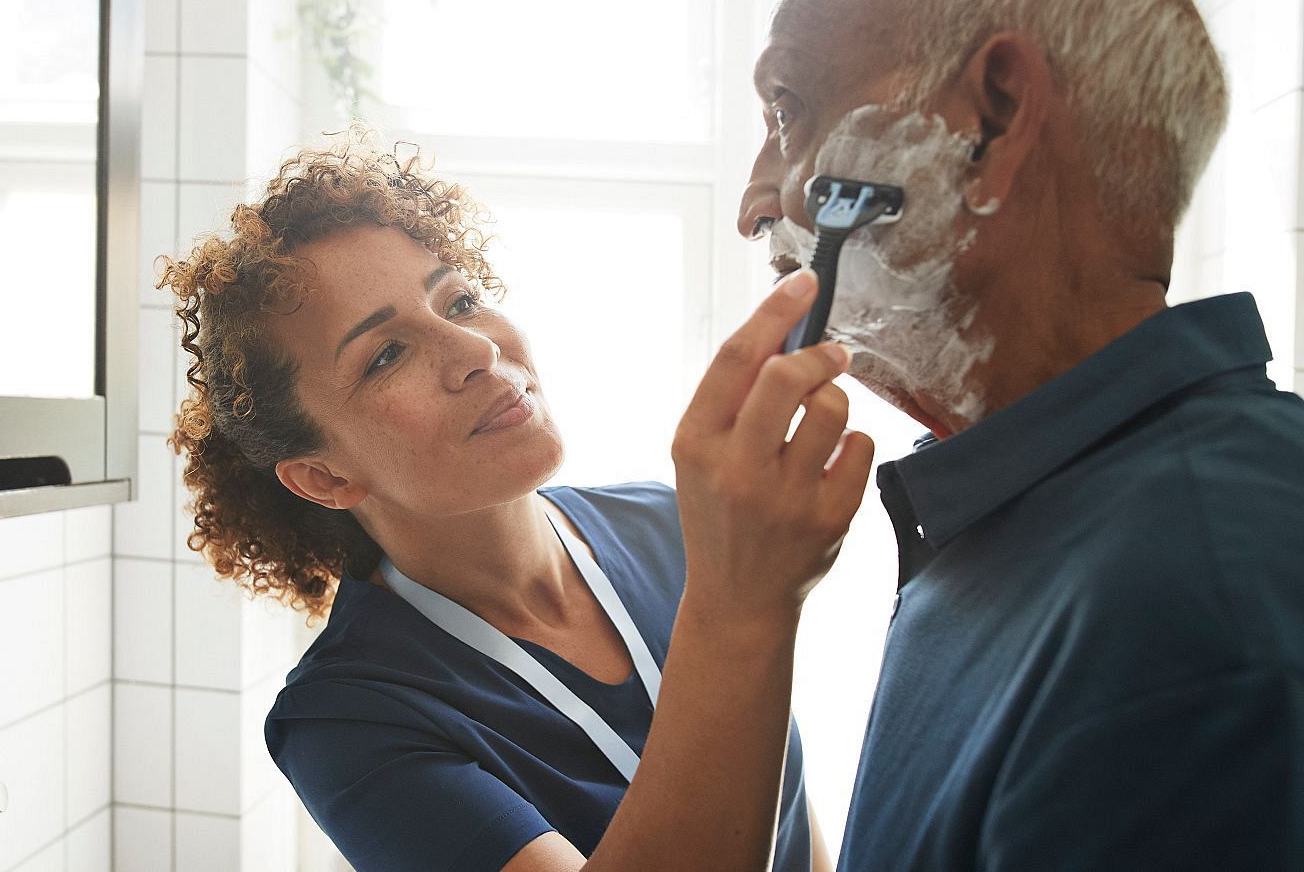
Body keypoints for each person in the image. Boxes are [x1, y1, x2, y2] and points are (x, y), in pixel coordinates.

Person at [159, 131, 874, 871]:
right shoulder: (344, 719)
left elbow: (786, 816)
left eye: (460, 300)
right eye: (386, 355)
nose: (476, 352)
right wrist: (745, 604)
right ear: (326, 478)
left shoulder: (674, 525)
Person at [739, 0, 1304, 867]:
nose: (755, 204)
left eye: (787, 111)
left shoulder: (1191, 613)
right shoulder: (1014, 510)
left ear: (994, 121)